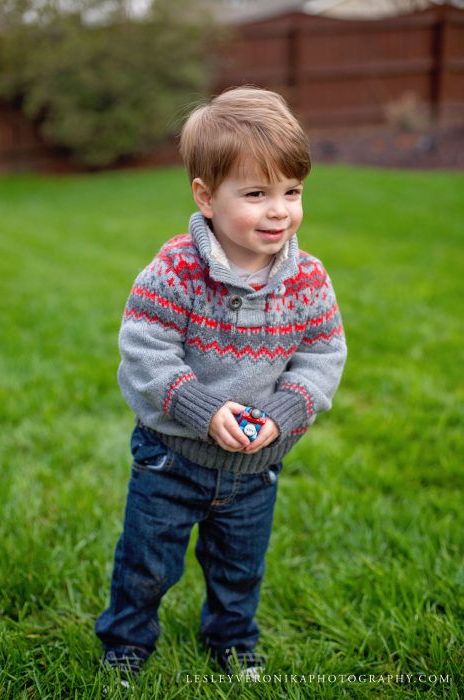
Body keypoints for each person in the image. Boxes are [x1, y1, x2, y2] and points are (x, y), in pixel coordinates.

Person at [95, 86, 347, 682]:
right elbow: (145, 352)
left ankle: (233, 640)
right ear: (206, 197)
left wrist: (285, 412)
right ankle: (127, 644)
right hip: (171, 458)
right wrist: (203, 408)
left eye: (292, 191)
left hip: (256, 464)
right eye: (256, 194)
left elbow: (322, 354)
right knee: (146, 563)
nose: (279, 210)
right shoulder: (177, 270)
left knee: (240, 565)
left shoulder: (307, 279)